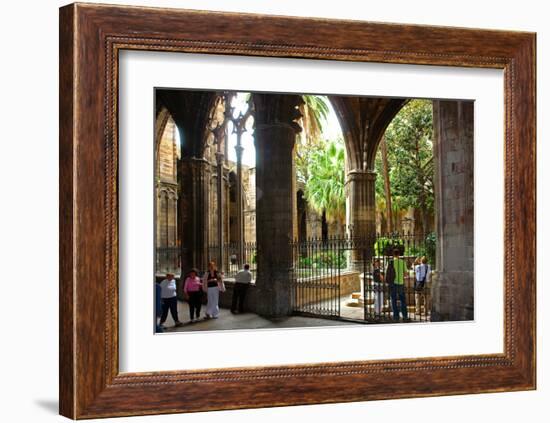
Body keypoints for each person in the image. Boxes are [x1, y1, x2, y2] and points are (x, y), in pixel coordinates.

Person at [386, 249, 409, 321]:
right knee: (403, 300)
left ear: (393, 255)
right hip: (401, 283)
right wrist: (401, 275)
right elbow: (406, 274)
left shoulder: (390, 262)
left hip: (393, 283)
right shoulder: (402, 262)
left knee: (393, 300)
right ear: (399, 254)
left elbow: (387, 273)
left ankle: (396, 317)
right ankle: (405, 316)